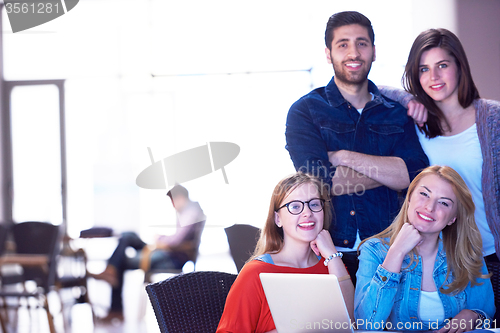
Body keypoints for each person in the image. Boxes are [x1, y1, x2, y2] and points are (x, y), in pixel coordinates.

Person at [285, 11, 429, 284]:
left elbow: (415, 175)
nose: (354, 52)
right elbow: (317, 183)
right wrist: (390, 173)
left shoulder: (397, 113)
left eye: (362, 43)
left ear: (373, 51)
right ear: (328, 54)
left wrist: (344, 157)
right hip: (327, 252)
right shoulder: (305, 111)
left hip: (392, 250)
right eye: (343, 44)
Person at [379, 28, 500, 318]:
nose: (433, 77)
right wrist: (408, 99)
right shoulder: (416, 122)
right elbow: (375, 90)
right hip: (438, 259)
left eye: (442, 66)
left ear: (459, 66)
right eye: (424, 69)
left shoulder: (492, 119)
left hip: (489, 254)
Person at [355, 165, 495, 332]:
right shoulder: (373, 250)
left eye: (444, 203)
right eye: (424, 194)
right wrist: (396, 253)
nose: (430, 207)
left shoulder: (467, 252)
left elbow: (486, 314)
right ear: (409, 199)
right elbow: (366, 326)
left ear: (452, 218)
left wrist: (474, 315)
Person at [216, 172, 354, 333]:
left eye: (315, 204)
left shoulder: (332, 265)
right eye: (295, 206)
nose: (307, 212)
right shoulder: (255, 273)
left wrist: (332, 256)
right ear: (277, 219)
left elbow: (349, 324)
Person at [91, 184, 205, 321]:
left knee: (121, 261)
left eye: (173, 201)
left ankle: (115, 305)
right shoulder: (188, 211)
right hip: (165, 251)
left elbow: (176, 241)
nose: (173, 205)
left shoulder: (191, 212)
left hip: (171, 257)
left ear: (180, 198)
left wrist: (160, 240)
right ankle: (111, 269)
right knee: (128, 235)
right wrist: (160, 238)